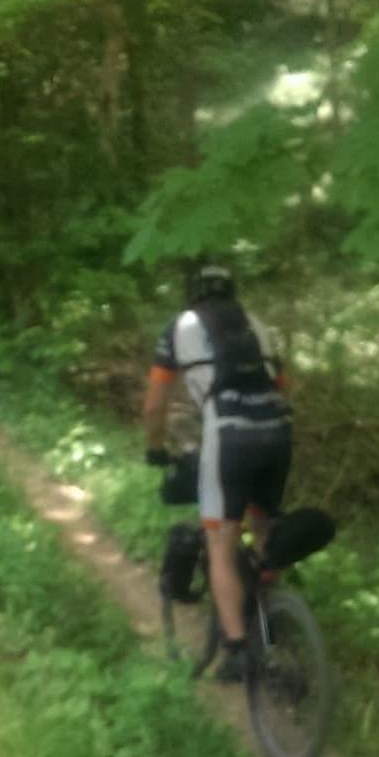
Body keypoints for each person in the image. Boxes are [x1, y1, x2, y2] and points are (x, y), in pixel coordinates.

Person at [143, 265, 291, 681]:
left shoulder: (180, 326)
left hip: (228, 436)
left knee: (221, 542)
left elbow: (155, 404)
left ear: (193, 295)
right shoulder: (259, 325)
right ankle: (268, 610)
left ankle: (238, 650)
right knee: (264, 529)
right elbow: (283, 385)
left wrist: (154, 449)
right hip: (278, 433)